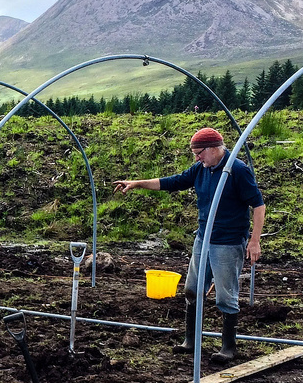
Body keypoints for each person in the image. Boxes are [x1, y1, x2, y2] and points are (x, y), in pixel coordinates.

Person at [113, 128, 265, 363]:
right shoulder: (201, 169)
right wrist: (138, 184)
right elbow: (174, 182)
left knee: (225, 296)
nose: (197, 158)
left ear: (214, 149)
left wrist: (254, 241)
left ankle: (228, 347)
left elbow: (258, 205)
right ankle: (191, 340)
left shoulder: (237, 170)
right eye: (194, 154)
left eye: (199, 153)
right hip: (203, 238)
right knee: (192, 289)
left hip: (227, 242)